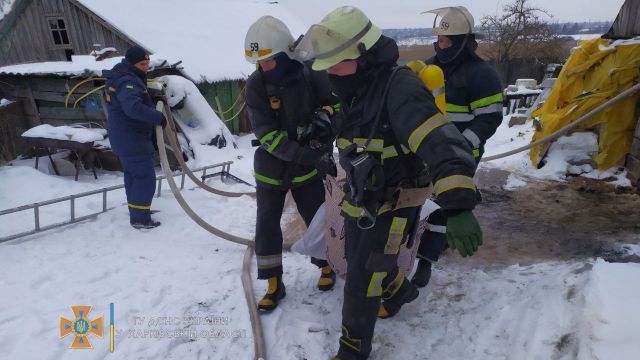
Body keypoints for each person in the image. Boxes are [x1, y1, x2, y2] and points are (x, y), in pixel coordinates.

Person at [295, 6, 482, 359]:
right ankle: (398, 293)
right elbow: (364, 132)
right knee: (363, 258)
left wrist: (458, 206)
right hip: (363, 194)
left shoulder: (399, 87)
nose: (330, 71)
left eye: (336, 62)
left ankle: (352, 351)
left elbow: (441, 142)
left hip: (394, 201)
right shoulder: (357, 86)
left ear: (363, 55)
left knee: (362, 281)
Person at [243, 16, 340, 312]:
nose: (263, 67)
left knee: (317, 219)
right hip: (272, 168)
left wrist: (326, 128)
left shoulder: (312, 74)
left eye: (269, 60)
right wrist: (307, 155)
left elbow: (337, 107)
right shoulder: (256, 86)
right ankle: (273, 282)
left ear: (285, 54)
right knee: (267, 225)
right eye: (258, 62)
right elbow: (267, 135)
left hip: (308, 166)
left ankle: (326, 266)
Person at [411, 6, 504, 288]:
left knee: (442, 206)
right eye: (439, 40)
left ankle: (426, 261)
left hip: (462, 155)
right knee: (418, 202)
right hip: (428, 152)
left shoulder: (481, 74)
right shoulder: (428, 68)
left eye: (448, 41)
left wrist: (462, 146)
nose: (442, 46)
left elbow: (489, 118)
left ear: (465, 41)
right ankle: (413, 249)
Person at [103, 45, 166, 229]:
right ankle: (140, 218)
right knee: (144, 178)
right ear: (131, 63)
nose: (146, 67)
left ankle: (138, 211)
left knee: (133, 177)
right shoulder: (127, 81)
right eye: (142, 63)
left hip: (125, 137)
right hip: (132, 138)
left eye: (147, 63)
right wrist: (157, 116)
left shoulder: (125, 76)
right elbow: (133, 108)